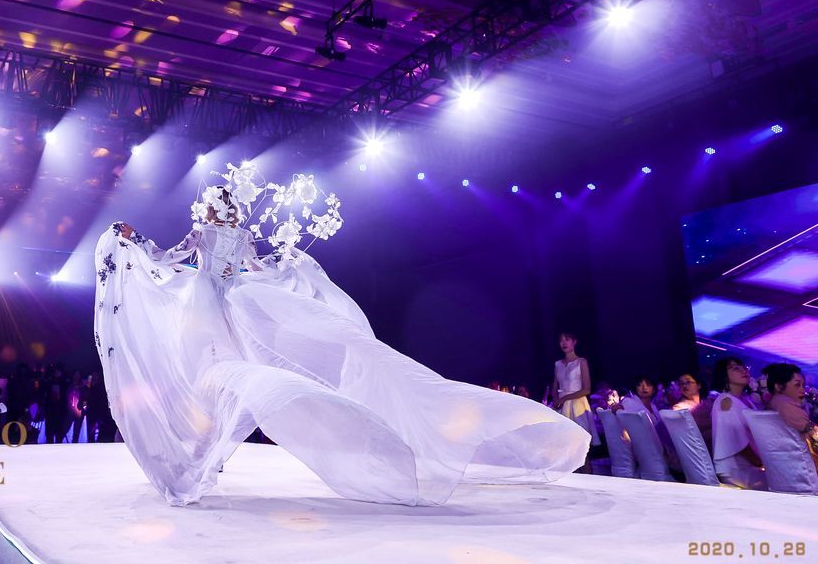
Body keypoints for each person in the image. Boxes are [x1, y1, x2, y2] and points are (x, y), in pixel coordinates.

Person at [94, 171, 589, 506]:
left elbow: (167, 258)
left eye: (210, 203)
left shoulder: (203, 235)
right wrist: (289, 265)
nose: (210, 208)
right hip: (233, 304)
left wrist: (133, 240)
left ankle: (203, 451)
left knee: (209, 374)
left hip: (206, 306)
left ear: (211, 208)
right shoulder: (238, 236)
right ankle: (208, 450)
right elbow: (257, 268)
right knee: (222, 375)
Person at [710, 357, 766, 489]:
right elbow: (735, 439)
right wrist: (761, 462)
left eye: (743, 367)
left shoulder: (745, 400)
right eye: (735, 368)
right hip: (737, 469)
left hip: (750, 465)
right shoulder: (726, 402)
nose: (743, 370)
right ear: (724, 375)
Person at [551, 332, 600, 469]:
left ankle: (587, 477)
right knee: (565, 448)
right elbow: (555, 385)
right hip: (561, 406)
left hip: (577, 405)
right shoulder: (558, 364)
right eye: (561, 340)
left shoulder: (581, 362)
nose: (564, 343)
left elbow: (586, 389)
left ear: (574, 342)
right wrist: (555, 399)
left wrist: (564, 398)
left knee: (581, 448)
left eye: (567, 339)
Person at [765, 363, 818, 475]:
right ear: (779, 387)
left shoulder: (775, 403)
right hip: (805, 470)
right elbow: (813, 433)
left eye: (803, 385)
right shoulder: (784, 403)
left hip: (789, 469)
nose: (802, 390)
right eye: (797, 385)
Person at [671, 373, 713, 451]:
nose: (684, 385)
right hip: (699, 450)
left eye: (688, 382)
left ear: (699, 385)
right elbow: (688, 435)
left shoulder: (708, 404)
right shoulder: (679, 408)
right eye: (681, 383)